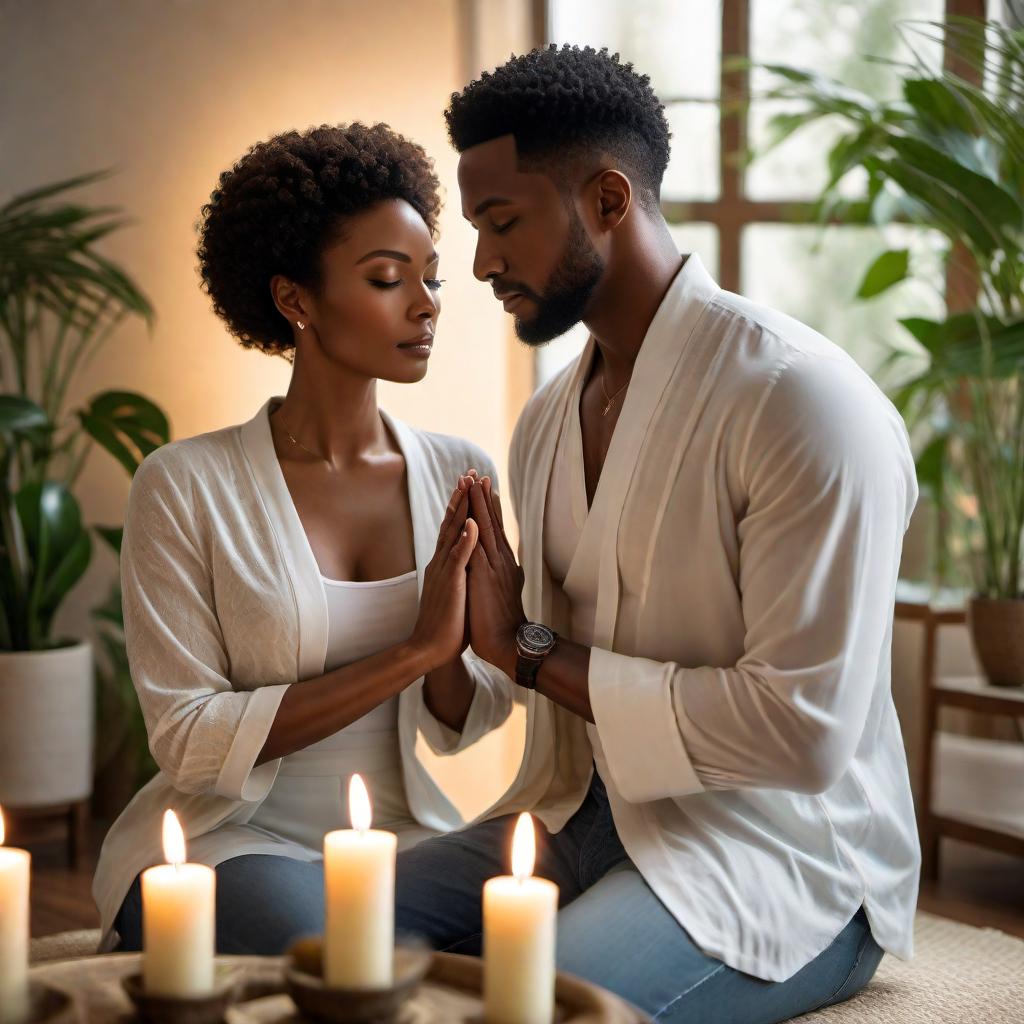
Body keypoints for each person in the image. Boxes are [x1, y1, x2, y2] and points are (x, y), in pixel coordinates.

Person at [395, 45, 920, 1023]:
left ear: (605, 199)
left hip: (775, 852)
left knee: (524, 1008)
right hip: (575, 812)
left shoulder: (802, 402)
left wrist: (529, 651)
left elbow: (801, 733)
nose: (479, 263)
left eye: (502, 223)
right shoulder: (548, 419)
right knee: (320, 939)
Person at [92, 122, 510, 955]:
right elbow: (189, 736)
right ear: (296, 300)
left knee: (550, 908)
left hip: (407, 836)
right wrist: (412, 651)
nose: (426, 305)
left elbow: (475, 710)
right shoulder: (183, 485)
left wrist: (469, 653)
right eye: (389, 279)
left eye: (431, 280)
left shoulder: (459, 471)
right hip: (232, 842)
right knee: (332, 955)